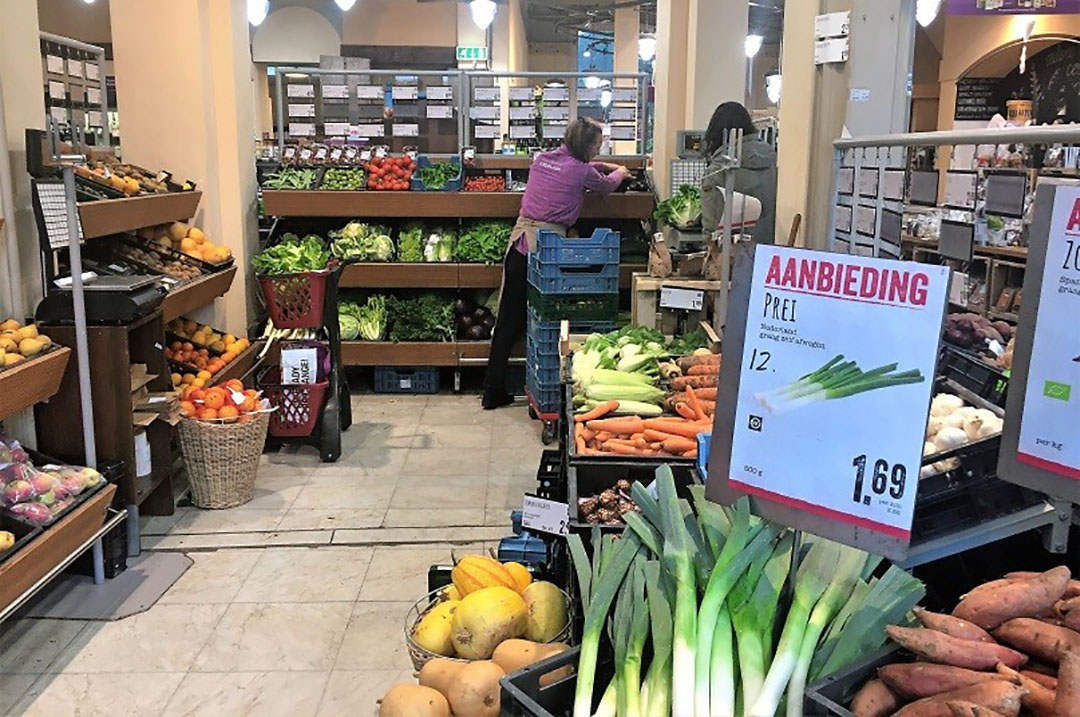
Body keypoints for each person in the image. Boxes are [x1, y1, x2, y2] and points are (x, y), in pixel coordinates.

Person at [482, 118, 631, 409]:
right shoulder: (579, 171)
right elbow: (604, 187)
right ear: (587, 146)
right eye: (597, 146)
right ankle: (530, 388)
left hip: (519, 244)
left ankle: (492, 389)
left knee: (507, 322)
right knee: (543, 320)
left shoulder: (543, 159)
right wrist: (620, 171)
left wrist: (603, 165)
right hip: (545, 251)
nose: (598, 150)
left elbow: (582, 169)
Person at [700, 101, 777, 245]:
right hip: (767, 253)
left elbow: (711, 228)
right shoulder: (773, 163)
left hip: (731, 256)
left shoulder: (717, 171)